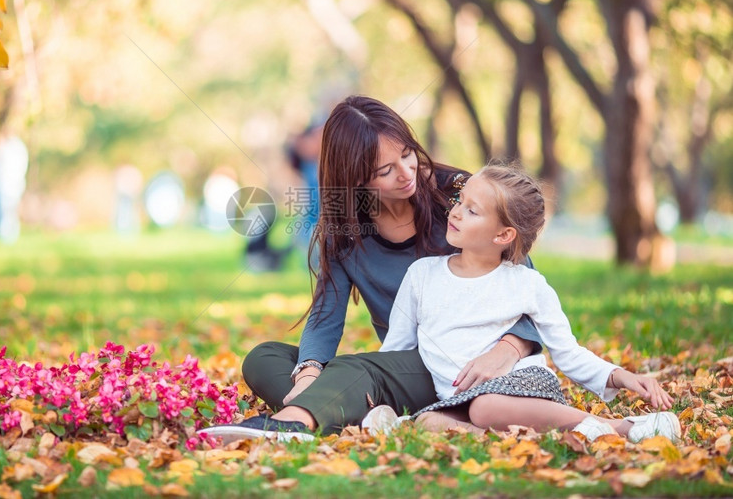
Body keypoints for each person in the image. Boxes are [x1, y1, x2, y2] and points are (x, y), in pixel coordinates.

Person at [200, 96, 543, 442]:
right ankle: (370, 414)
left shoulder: (459, 194)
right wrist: (308, 372)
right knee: (265, 357)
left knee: (356, 369)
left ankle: (293, 424)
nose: (406, 174)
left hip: (464, 363)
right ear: (354, 177)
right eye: (385, 171)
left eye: (407, 154)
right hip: (397, 366)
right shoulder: (346, 225)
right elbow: (325, 313)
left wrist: (507, 350)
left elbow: (527, 288)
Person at [364, 164, 679, 443]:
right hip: (458, 400)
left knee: (485, 407)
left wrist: (622, 376)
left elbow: (568, 353)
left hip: (522, 386)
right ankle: (529, 439)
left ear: (503, 235)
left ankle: (619, 427)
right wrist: (377, 397)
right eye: (460, 201)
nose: (456, 212)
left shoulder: (526, 284)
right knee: (427, 422)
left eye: (472, 210)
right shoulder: (422, 275)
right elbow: (395, 349)